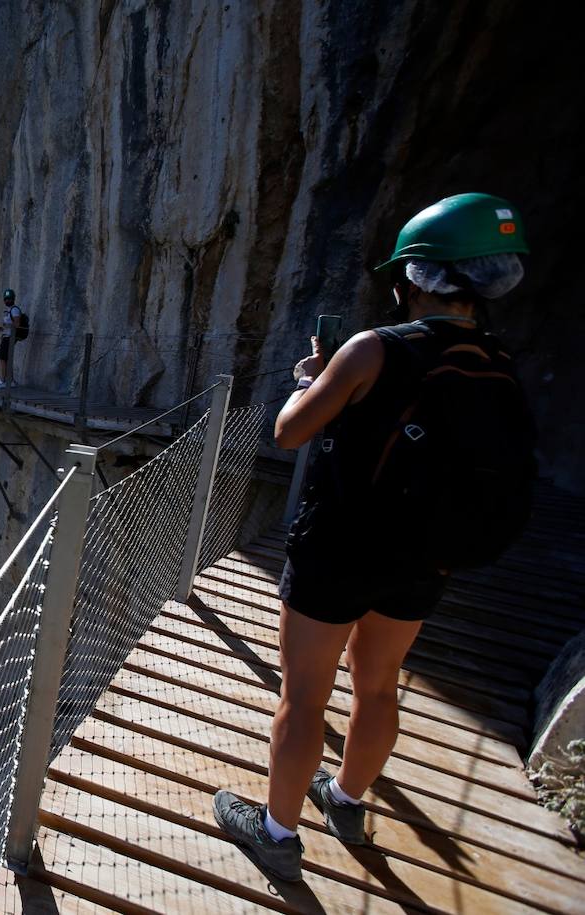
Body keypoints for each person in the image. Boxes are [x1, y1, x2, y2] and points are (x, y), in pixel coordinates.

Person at [212, 193, 532, 881]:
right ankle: (348, 800)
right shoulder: (496, 361)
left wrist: (309, 381)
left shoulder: (371, 349)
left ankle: (276, 832)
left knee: (304, 696)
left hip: (340, 549)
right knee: (379, 684)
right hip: (423, 558)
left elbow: (291, 430)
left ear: (415, 277)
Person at [0, 288, 21, 389]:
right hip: (6, 336)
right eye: (6, 299)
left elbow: (17, 324)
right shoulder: (9, 311)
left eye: (9, 299)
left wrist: (6, 326)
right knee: (6, 359)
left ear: (13, 299)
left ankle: (3, 380)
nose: (7, 301)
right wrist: (2, 328)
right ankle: (10, 381)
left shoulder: (15, 310)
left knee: (2, 358)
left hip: (9, 337)